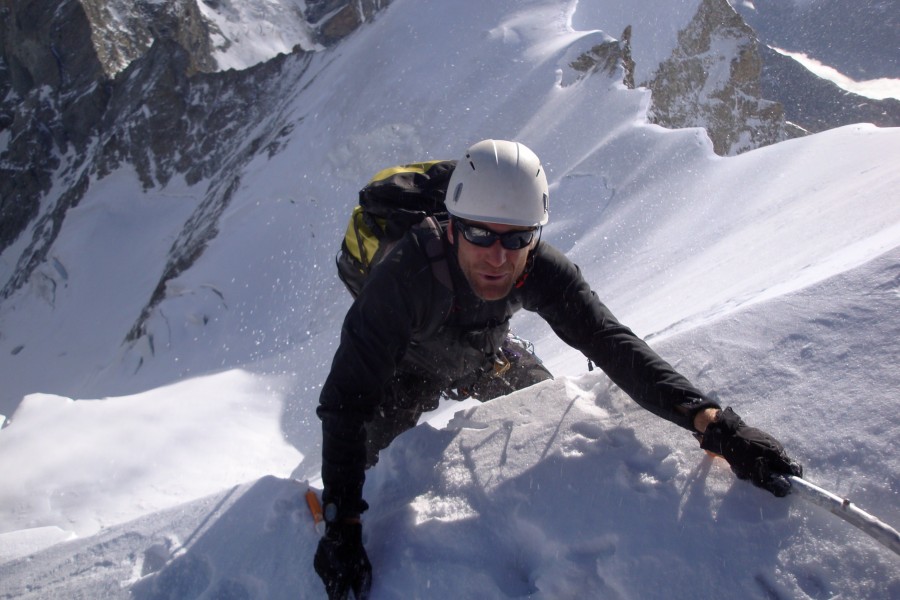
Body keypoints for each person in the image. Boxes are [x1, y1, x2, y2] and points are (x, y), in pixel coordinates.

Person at [313, 139, 802, 599]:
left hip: (485, 357)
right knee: (370, 468)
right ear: (454, 224)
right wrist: (342, 524)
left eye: (518, 237)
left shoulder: (538, 269)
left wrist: (712, 422)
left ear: (536, 235)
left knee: (547, 406)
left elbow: (611, 343)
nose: (499, 257)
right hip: (403, 371)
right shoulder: (404, 279)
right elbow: (346, 401)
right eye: (480, 233)